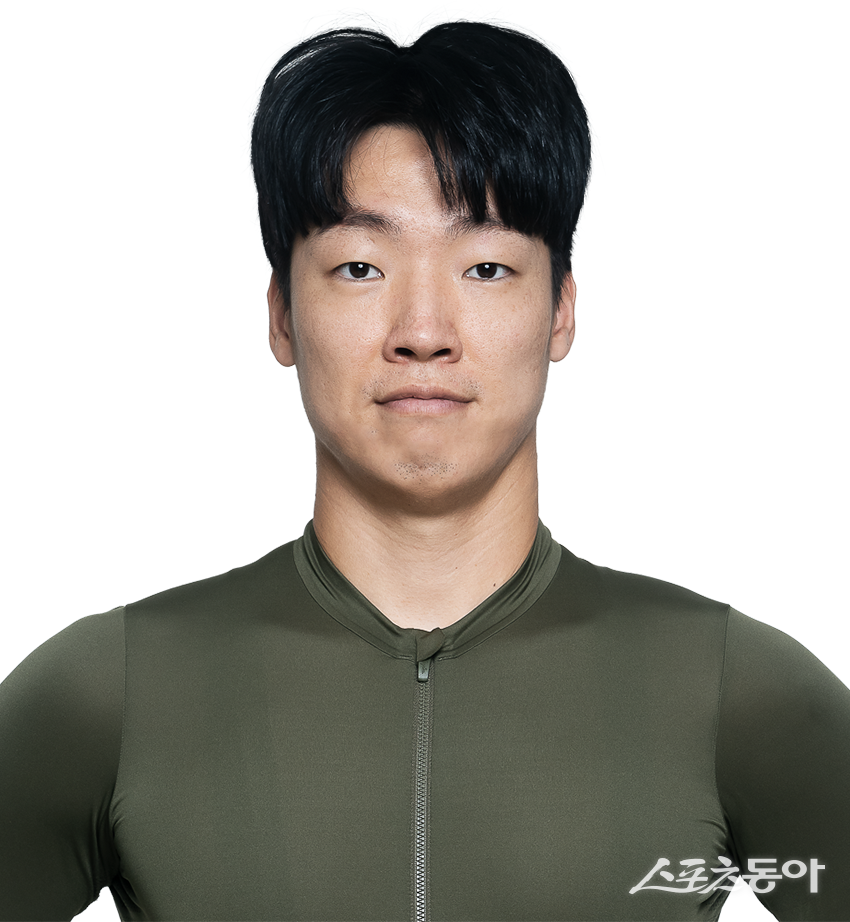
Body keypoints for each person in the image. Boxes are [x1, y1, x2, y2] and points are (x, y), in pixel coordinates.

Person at [1, 20, 849, 922]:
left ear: (560, 310)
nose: (423, 331)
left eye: (485, 266)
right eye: (359, 266)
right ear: (282, 314)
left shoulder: (734, 694)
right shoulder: (111, 695)